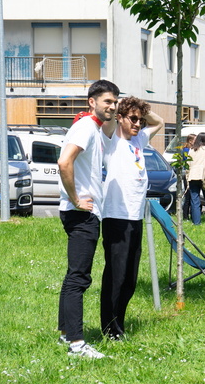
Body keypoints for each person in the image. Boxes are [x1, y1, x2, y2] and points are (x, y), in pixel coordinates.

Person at [57, 79, 119, 359]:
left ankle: (65, 334)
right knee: (78, 278)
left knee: (74, 276)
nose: (113, 106)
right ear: (92, 101)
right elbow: (64, 162)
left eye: (115, 102)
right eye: (108, 101)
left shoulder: (93, 127)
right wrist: (75, 199)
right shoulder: (84, 127)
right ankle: (77, 344)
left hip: (83, 213)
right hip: (81, 214)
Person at [101, 96, 163, 341]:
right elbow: (107, 120)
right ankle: (109, 329)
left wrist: (140, 109)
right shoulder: (111, 140)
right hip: (116, 216)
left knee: (130, 278)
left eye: (140, 119)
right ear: (120, 117)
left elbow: (157, 121)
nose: (138, 123)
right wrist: (120, 107)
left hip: (135, 217)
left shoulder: (139, 139)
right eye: (133, 119)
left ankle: (119, 324)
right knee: (115, 276)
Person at [181, 133, 196, 220]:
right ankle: (185, 216)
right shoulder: (187, 150)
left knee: (190, 195)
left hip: (190, 172)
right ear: (190, 141)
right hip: (187, 173)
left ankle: (188, 215)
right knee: (188, 195)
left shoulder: (189, 150)